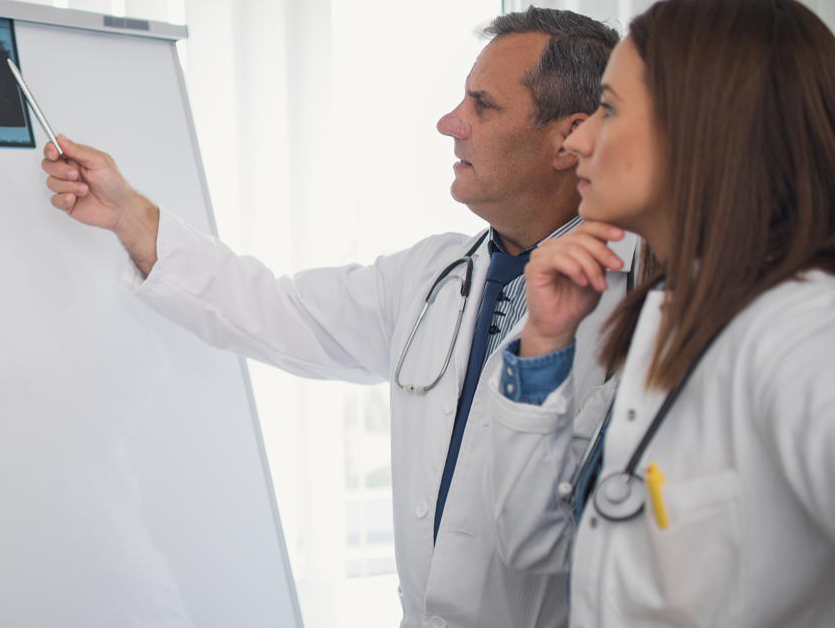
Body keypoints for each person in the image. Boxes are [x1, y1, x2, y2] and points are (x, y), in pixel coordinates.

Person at [44, 8, 622, 627]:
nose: (449, 123)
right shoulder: (430, 275)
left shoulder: (642, 305)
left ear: (569, 138)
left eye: (482, 106)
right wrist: (129, 215)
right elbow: (276, 311)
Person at [486, 0, 835, 625]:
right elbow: (535, 542)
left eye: (610, 109)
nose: (578, 138)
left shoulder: (803, 330)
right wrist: (544, 342)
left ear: (708, 128)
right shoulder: (668, 316)